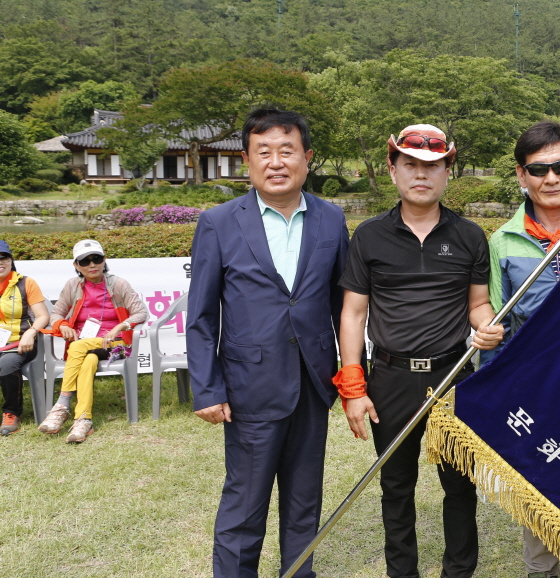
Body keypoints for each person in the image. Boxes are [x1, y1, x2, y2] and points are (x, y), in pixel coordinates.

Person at [186, 109, 350, 578]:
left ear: (307, 157)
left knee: (304, 500)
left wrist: (351, 375)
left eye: (287, 151)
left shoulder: (331, 218)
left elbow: (342, 304)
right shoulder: (219, 222)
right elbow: (201, 315)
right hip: (249, 386)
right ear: (247, 160)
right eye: (264, 152)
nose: (276, 162)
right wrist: (208, 388)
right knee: (245, 502)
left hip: (314, 383)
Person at [336, 124, 504, 578]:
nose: (421, 175)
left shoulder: (469, 235)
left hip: (453, 375)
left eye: (433, 166)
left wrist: (487, 327)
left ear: (448, 172)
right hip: (389, 377)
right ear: (393, 170)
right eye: (410, 164)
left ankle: (459, 571)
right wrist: (353, 386)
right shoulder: (369, 236)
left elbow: (477, 304)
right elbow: (353, 313)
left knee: (460, 485)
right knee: (396, 486)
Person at [483, 120, 560, 578]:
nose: (551, 178)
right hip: (536, 388)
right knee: (542, 478)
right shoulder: (502, 241)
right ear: (522, 175)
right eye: (538, 169)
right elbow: (496, 321)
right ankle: (542, 568)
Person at [37, 239, 147, 442]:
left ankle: (62, 404)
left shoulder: (118, 284)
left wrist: (119, 327)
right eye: (85, 261)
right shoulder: (73, 285)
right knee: (88, 361)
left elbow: (141, 313)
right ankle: (83, 419)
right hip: (86, 346)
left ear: (104, 260)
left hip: (116, 344)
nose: (92, 264)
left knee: (77, 346)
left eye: (96, 259)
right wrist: (62, 325)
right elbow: (56, 314)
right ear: (76, 265)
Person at [0, 241, 49, 436]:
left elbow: (43, 316)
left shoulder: (26, 283)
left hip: (20, 343)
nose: (0, 262)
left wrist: (31, 332)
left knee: (6, 365)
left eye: (4, 257)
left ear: (11, 260)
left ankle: (12, 412)